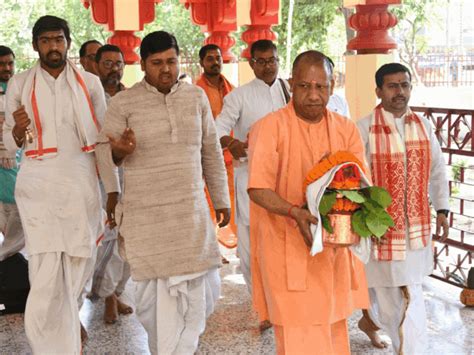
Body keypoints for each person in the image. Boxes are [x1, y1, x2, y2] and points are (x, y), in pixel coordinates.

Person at [95, 31, 230, 355]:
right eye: (157, 63)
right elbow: (103, 150)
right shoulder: (123, 102)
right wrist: (119, 154)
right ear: (142, 65)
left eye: (170, 61)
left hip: (190, 215)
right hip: (147, 218)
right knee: (152, 305)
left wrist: (221, 198)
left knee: (203, 293)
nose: (165, 69)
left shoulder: (195, 98)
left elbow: (210, 151)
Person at [247, 50, 368, 354]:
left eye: (321, 87)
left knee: (333, 328)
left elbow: (358, 185)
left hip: (332, 250)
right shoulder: (269, 127)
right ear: (292, 84)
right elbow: (257, 188)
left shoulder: (346, 129)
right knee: (298, 334)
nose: (313, 95)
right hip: (286, 245)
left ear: (332, 85)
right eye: (304, 86)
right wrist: (294, 211)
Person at [2, 16, 106, 353]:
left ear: (68, 42)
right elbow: (9, 141)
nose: (53, 47)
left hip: (80, 182)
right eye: (46, 41)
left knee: (80, 262)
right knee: (45, 273)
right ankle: (51, 347)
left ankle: (68, 331)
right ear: (35, 46)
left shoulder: (90, 83)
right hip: (38, 184)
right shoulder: (19, 84)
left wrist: (114, 189)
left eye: (58, 39)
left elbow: (102, 138)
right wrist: (17, 130)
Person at [356, 62, 449, 354]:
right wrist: (366, 223)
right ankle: (403, 345)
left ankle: (372, 323)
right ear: (379, 90)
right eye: (392, 86)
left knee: (402, 294)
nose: (400, 92)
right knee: (398, 297)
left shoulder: (423, 125)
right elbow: (355, 178)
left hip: (417, 227)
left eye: (405, 85)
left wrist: (443, 209)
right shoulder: (364, 127)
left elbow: (436, 170)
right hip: (381, 231)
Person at [215, 39, 290, 297]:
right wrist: (231, 142)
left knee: (284, 237)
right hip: (252, 175)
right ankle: (259, 299)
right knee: (251, 241)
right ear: (252, 64)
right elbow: (218, 129)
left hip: (287, 177)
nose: (268, 66)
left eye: (273, 60)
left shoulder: (289, 91)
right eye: (262, 61)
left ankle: (281, 295)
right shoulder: (239, 96)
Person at [88, 43, 132, 324]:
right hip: (102, 177)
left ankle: (117, 291)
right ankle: (107, 297)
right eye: (108, 63)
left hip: (132, 175)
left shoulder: (131, 98)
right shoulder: (90, 98)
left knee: (129, 240)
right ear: (95, 65)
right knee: (108, 240)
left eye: (118, 64)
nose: (114, 69)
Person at [196, 44, 236, 253]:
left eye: (218, 58)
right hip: (206, 159)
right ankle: (211, 249)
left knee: (232, 203)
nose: (215, 62)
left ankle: (237, 244)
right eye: (210, 58)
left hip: (230, 158)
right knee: (207, 205)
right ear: (202, 63)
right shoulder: (196, 92)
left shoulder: (231, 89)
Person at [0, 45, 25, 262]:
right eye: (2, 64)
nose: (7, 68)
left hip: (17, 166)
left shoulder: (21, 90)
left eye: (10, 63)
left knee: (18, 228)